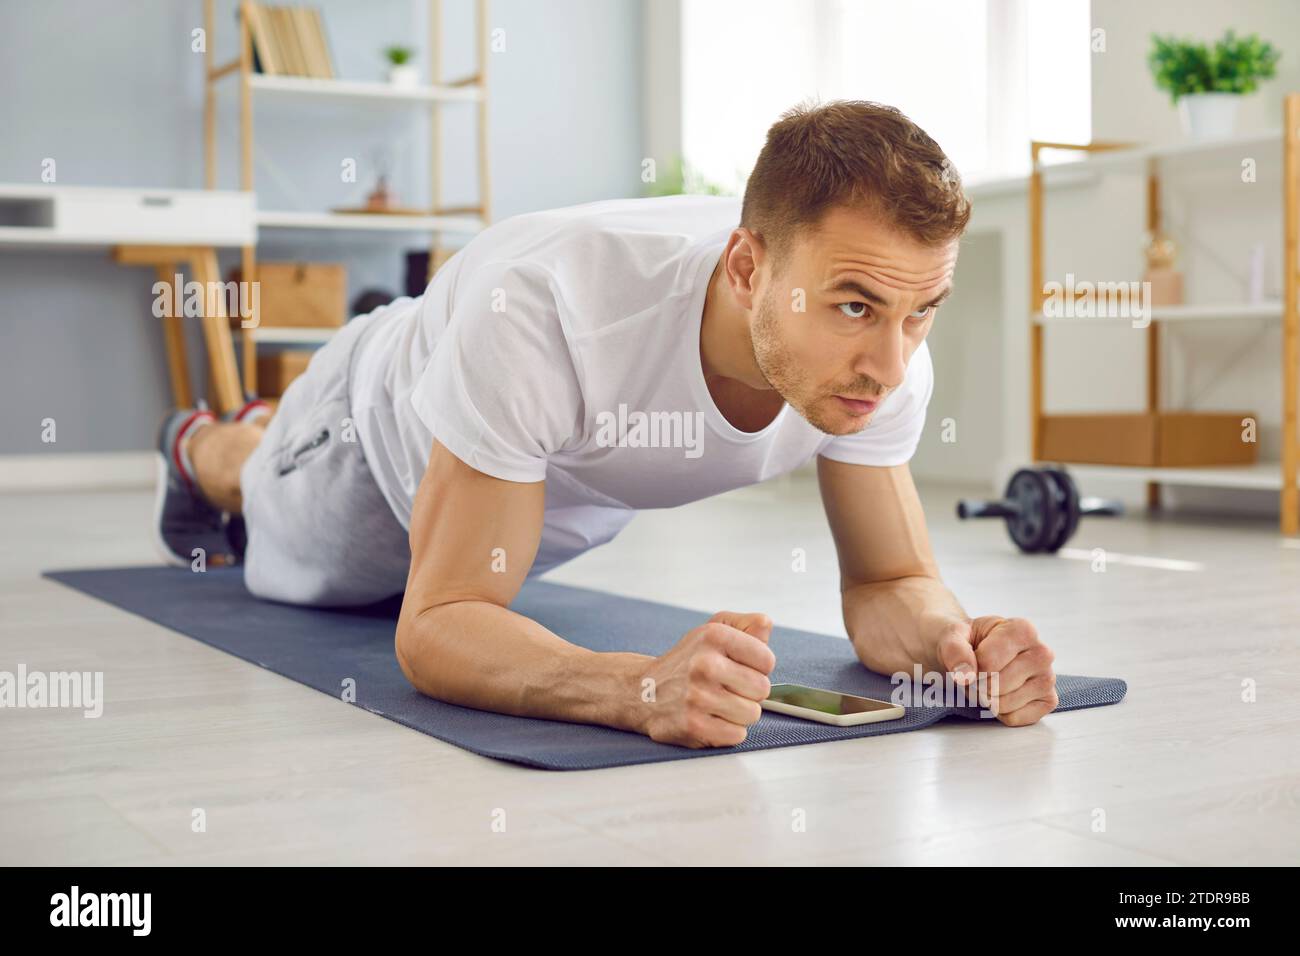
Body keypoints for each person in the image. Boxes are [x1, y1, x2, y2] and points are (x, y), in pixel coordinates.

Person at [154, 100, 1057, 749]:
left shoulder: (883, 353)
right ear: (747, 268)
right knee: (261, 480)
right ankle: (202, 442)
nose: (893, 366)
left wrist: (956, 647)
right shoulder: (545, 310)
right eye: (853, 306)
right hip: (371, 441)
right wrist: (635, 686)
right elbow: (439, 624)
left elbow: (890, 579)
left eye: (921, 311)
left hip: (532, 474)